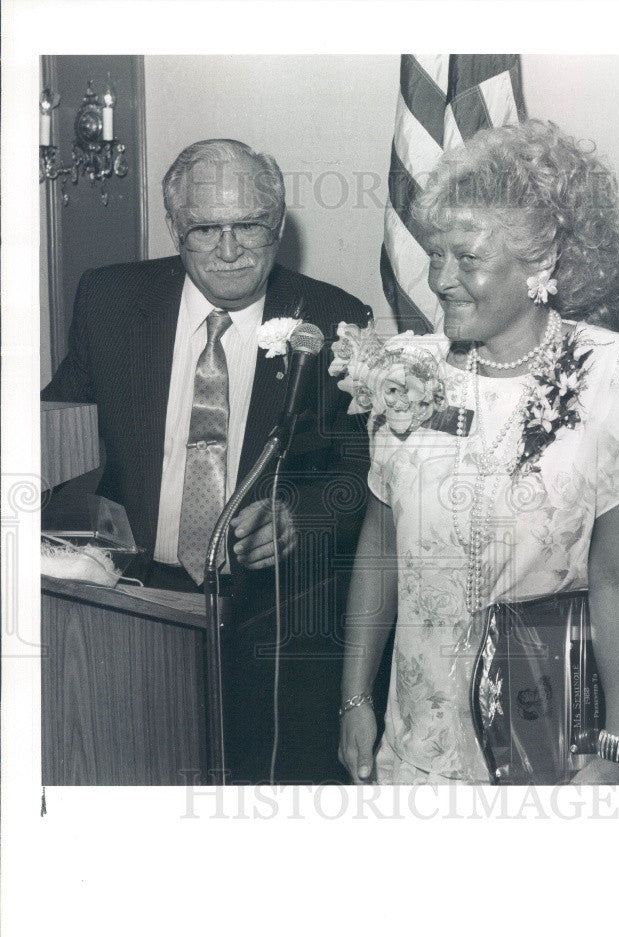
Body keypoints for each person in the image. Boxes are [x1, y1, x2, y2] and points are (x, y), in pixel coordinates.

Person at [332, 119, 619, 785]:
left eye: (467, 259)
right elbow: (379, 545)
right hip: (415, 746)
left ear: (540, 264)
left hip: (552, 741)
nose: (441, 280)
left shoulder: (616, 375)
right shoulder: (406, 371)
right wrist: (354, 698)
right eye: (436, 255)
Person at [42, 138, 372, 783]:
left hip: (272, 621)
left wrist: (300, 519)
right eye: (205, 229)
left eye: (248, 225)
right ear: (176, 229)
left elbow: (364, 477)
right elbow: (58, 427)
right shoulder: (110, 299)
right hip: (132, 603)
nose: (228, 250)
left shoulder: (334, 319)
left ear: (276, 225)